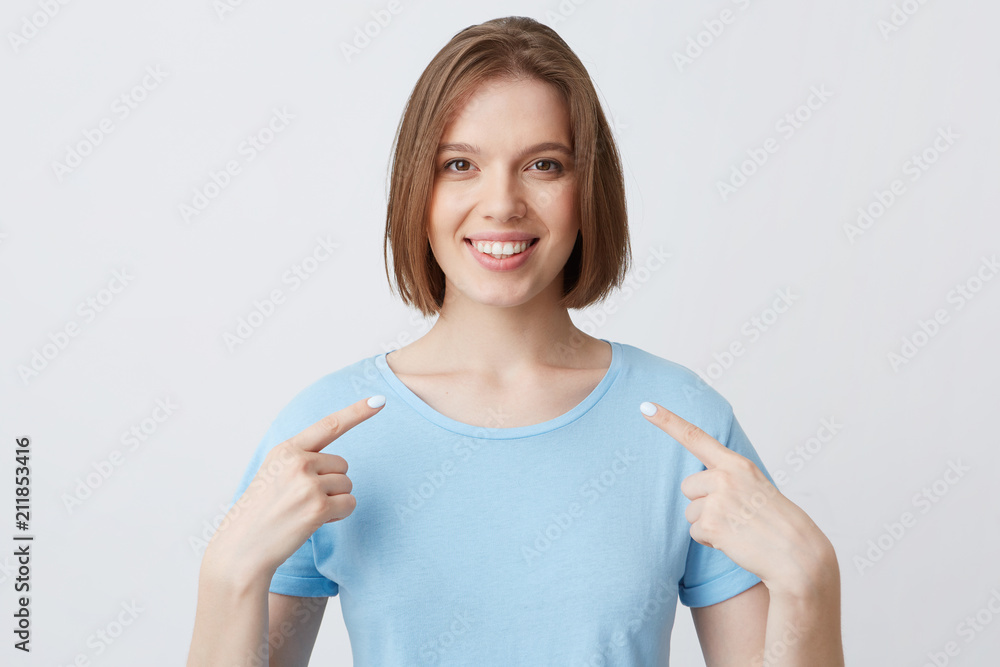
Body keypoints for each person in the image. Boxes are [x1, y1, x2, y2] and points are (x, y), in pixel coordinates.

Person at [187, 16, 844, 666]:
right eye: (460, 164)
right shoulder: (326, 433)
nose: (502, 202)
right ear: (418, 187)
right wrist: (227, 575)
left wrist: (812, 583)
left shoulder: (684, 426)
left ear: (588, 189)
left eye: (542, 164)